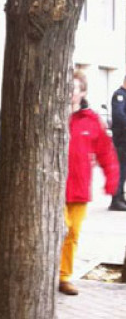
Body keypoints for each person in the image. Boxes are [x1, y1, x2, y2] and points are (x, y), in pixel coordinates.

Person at [59, 70, 119, 295]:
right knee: (59, 231)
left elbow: (106, 152)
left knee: (72, 233)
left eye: (73, 89)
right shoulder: (54, 116)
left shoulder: (92, 119)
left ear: (82, 92)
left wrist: (112, 181)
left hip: (80, 189)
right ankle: (48, 271)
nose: (69, 93)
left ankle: (64, 276)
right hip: (56, 189)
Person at [108, 75, 126, 211]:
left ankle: (120, 196)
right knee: (120, 169)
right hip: (121, 140)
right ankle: (115, 199)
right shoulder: (119, 96)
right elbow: (119, 116)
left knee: (123, 170)